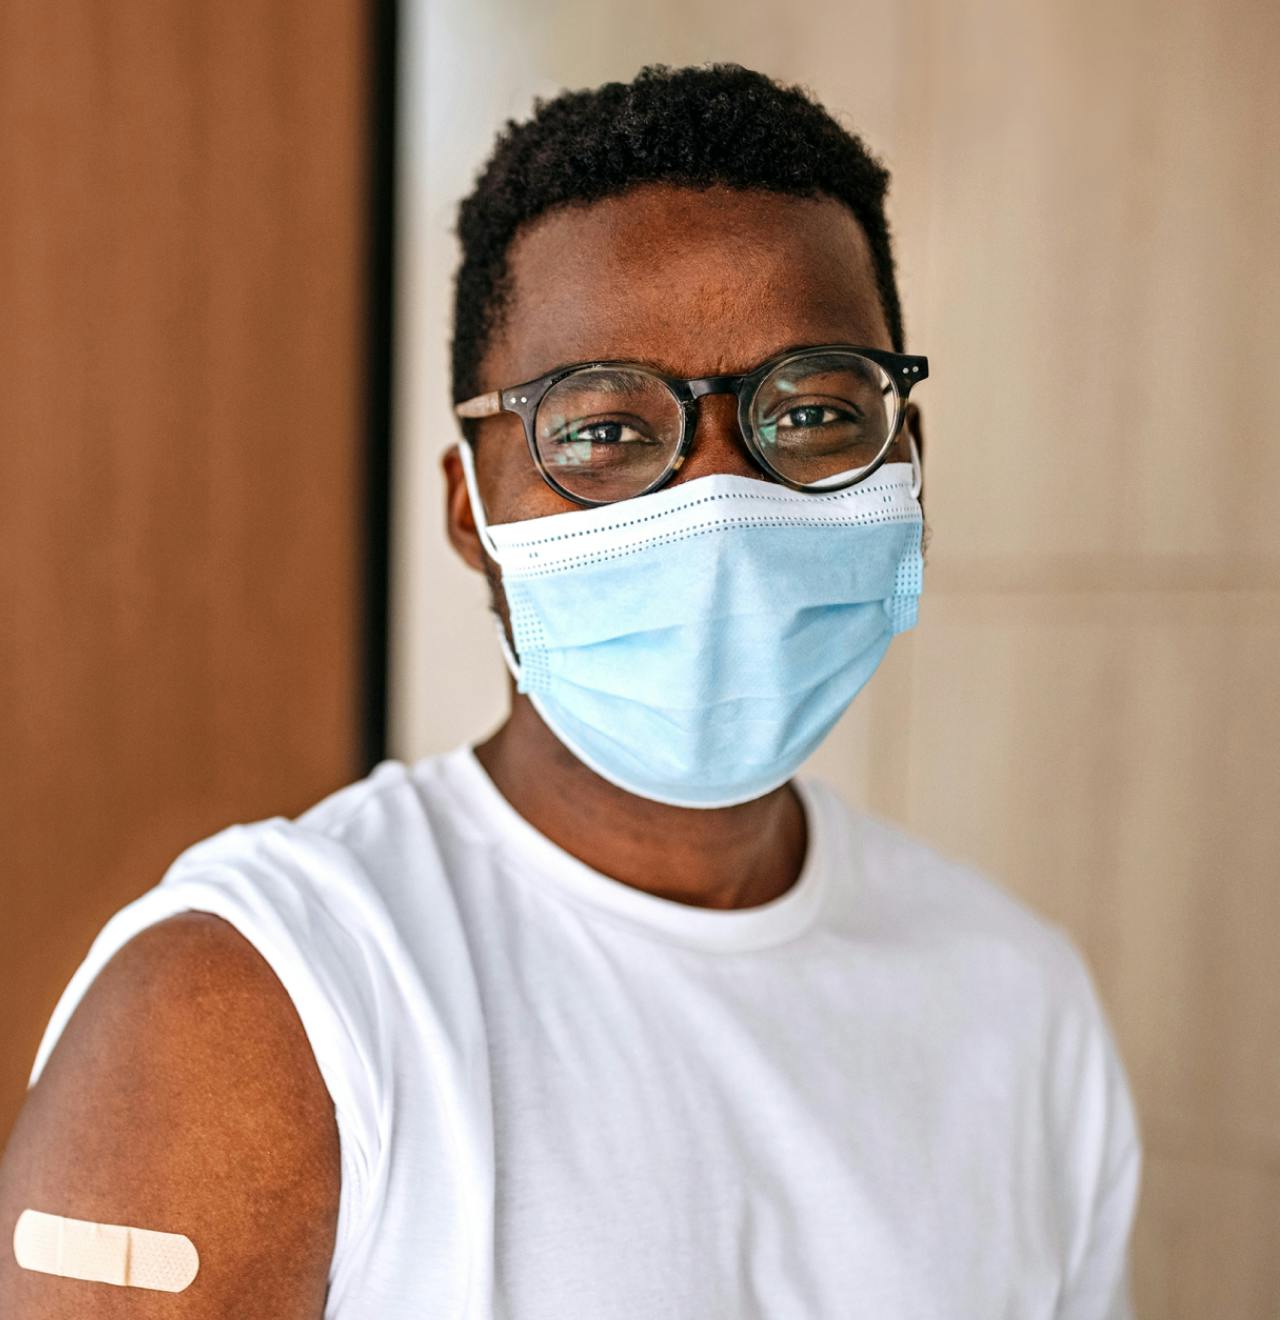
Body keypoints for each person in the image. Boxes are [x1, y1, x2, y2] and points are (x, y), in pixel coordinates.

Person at [0, 62, 1141, 1318]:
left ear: (905, 466)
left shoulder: (1013, 1000)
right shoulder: (256, 1005)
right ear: (469, 513)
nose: (722, 503)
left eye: (810, 411)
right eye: (603, 432)